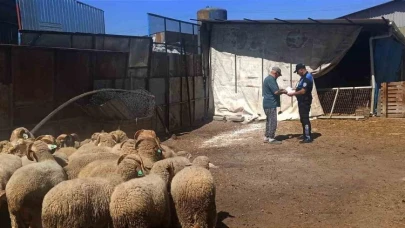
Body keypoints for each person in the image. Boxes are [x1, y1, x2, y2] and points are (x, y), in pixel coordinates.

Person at [287, 63, 314, 143]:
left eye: (297, 72)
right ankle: (305, 134)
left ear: (301, 70)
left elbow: (303, 91)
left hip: (305, 101)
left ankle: (308, 137)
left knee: (305, 119)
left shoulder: (307, 77)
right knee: (302, 118)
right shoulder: (303, 78)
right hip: (301, 101)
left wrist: (293, 93)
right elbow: (300, 87)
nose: (297, 73)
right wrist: (293, 89)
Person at [262, 66, 287, 144]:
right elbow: (276, 92)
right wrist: (284, 91)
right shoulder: (271, 79)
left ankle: (266, 136)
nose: (278, 77)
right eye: (278, 75)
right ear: (276, 73)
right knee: (273, 121)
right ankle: (271, 138)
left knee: (269, 120)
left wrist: (281, 90)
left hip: (267, 103)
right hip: (271, 103)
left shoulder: (267, 79)